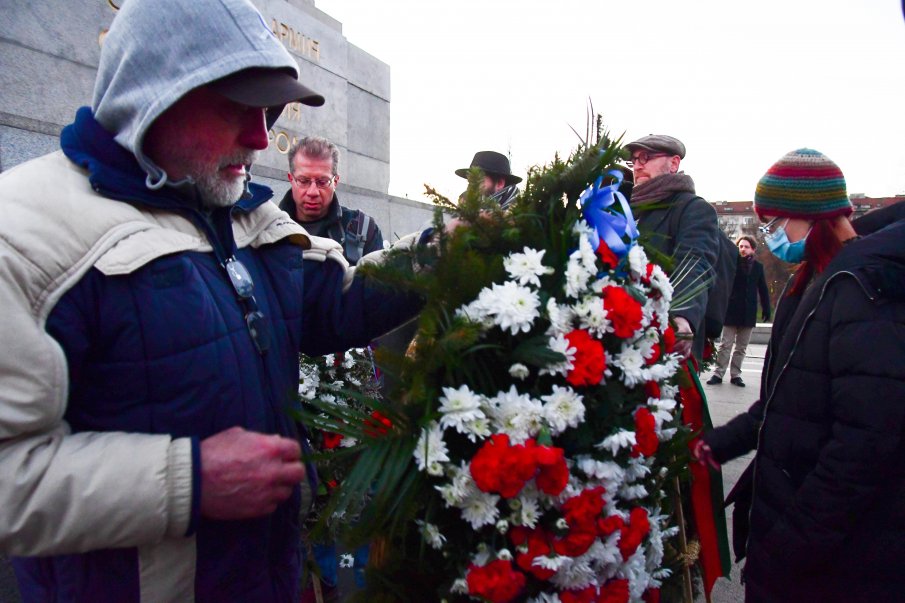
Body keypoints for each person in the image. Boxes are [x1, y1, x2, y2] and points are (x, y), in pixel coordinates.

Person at [0, 1, 425, 601]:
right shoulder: (24, 232)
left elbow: (336, 305)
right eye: (237, 108)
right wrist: (189, 482)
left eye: (268, 111)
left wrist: (442, 254)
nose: (259, 137)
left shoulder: (241, 210)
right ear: (153, 95)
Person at [694, 149, 905, 602]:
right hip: (799, 535)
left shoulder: (862, 290)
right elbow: (787, 398)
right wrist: (719, 443)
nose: (769, 236)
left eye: (773, 223)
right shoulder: (812, 280)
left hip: (837, 561)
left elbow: (863, 445)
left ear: (812, 217)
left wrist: (788, 545)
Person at [625, 134, 720, 360]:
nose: (638, 165)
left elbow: (696, 263)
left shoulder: (692, 209)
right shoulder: (625, 208)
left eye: (646, 157)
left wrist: (682, 317)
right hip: (621, 332)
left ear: (674, 163)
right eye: (635, 159)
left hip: (662, 341)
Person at [279, 136, 384, 265]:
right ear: (291, 179)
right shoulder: (266, 228)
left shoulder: (364, 229)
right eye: (303, 181)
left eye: (322, 182)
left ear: (335, 182)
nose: (313, 192)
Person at [706, 235, 770, 387]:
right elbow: (722, 285)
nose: (743, 249)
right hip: (731, 310)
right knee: (725, 344)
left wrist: (766, 308)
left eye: (746, 247)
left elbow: (763, 289)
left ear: (753, 249)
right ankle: (718, 373)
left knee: (741, 347)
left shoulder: (758, 267)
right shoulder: (732, 264)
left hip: (748, 312)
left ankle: (736, 375)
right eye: (741, 246)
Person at [455, 150, 522, 210]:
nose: (471, 188)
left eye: (478, 181)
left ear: (499, 183)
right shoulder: (465, 208)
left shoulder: (524, 216)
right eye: (470, 182)